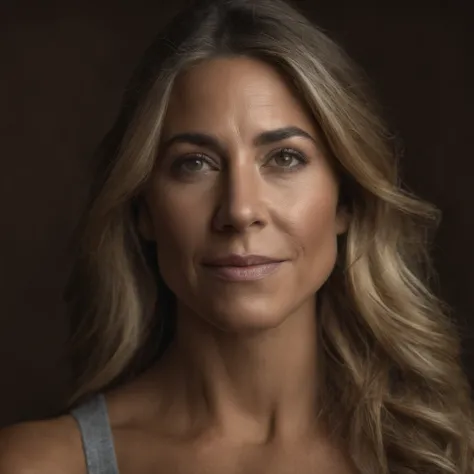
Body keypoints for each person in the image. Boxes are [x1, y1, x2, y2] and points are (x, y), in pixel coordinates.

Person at [0, 0, 473, 472]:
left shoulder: (440, 453)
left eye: (284, 158)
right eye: (195, 163)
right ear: (143, 207)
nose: (240, 210)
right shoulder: (39, 463)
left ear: (345, 201)